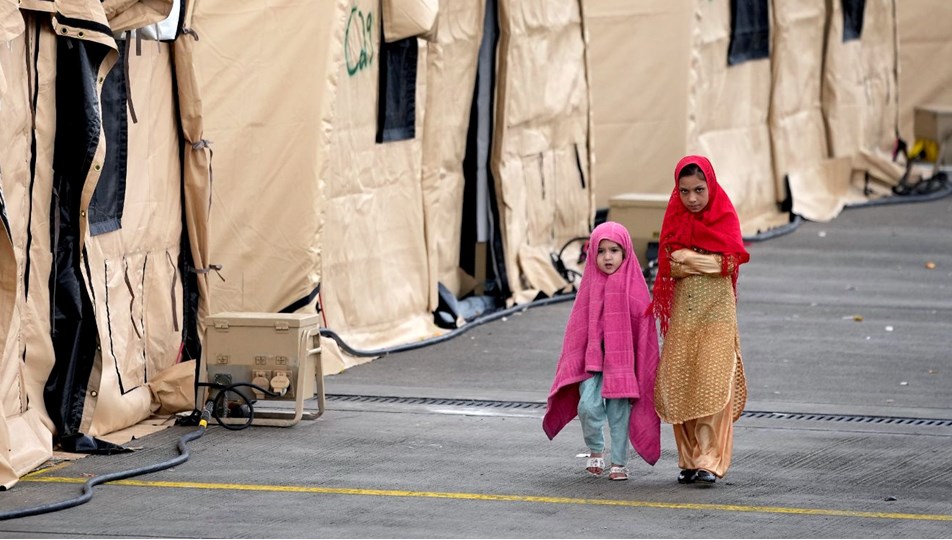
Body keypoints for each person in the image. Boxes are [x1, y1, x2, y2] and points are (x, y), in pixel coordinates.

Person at [649, 155, 750, 486]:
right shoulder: (674, 217)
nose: (692, 199)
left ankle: (709, 460)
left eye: (699, 190)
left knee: (711, 381)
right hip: (685, 313)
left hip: (718, 314)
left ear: (711, 186)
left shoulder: (723, 215)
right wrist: (706, 259)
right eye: (685, 191)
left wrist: (690, 257)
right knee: (682, 382)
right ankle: (689, 459)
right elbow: (670, 263)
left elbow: (730, 262)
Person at [543, 222, 661, 481]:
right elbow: (577, 328)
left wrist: (641, 367)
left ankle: (619, 462)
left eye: (614, 250)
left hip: (622, 363)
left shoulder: (635, 288)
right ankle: (595, 448)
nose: (607, 257)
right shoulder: (589, 285)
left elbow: (644, 332)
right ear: (592, 254)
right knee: (588, 406)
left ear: (626, 252)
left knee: (619, 413)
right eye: (601, 251)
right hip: (592, 361)